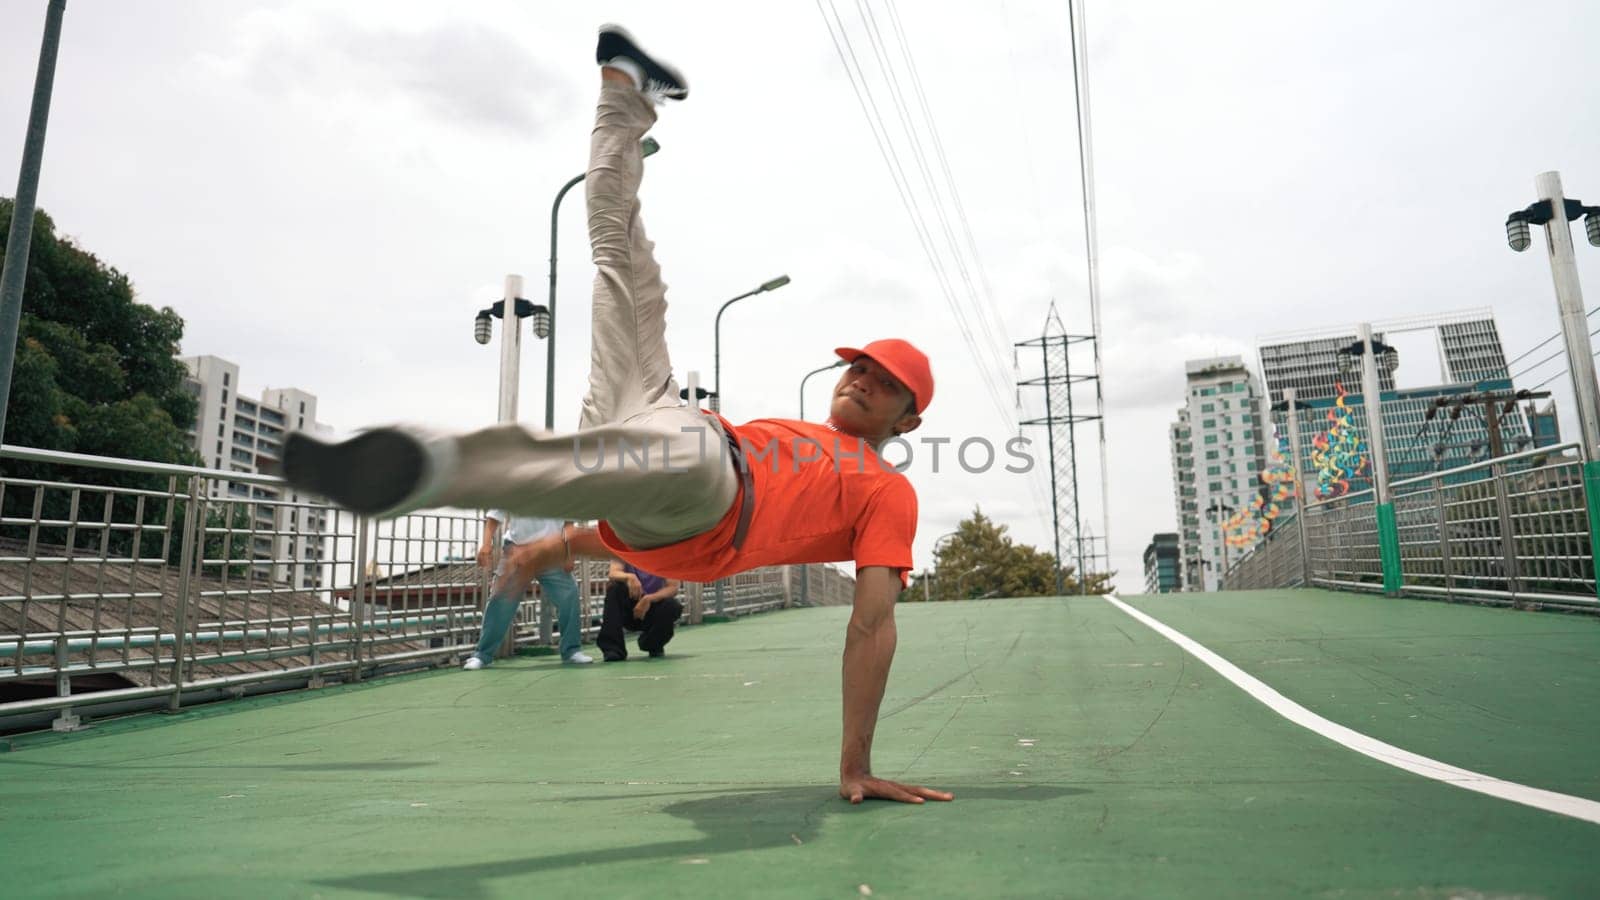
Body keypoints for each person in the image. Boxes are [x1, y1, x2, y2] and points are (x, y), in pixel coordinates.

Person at [283, 24, 951, 806]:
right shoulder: (799, 430)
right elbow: (627, 511)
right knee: (620, 255)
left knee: (665, 457)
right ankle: (623, 93)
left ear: (906, 421)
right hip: (669, 436)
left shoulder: (885, 491)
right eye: (859, 364)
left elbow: (871, 625)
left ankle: (426, 467)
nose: (863, 378)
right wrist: (556, 547)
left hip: (709, 494)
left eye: (887, 381)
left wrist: (856, 762)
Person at [465, 512, 594, 669]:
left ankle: (572, 651)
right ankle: (482, 655)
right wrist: (486, 544)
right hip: (517, 550)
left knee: (569, 596)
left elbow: (568, 523)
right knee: (500, 601)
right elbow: (494, 516)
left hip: (552, 551)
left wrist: (569, 554)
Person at [597, 560, 681, 661]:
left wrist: (649, 598)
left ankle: (653, 643)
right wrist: (630, 577)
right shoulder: (624, 548)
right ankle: (613, 650)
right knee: (614, 589)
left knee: (672, 605)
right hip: (628, 608)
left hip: (652, 608)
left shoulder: (665, 555)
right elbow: (613, 573)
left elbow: (673, 587)